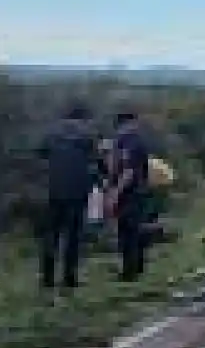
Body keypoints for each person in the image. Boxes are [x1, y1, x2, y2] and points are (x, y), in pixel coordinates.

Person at [37, 102, 98, 291]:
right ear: (83, 118)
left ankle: (47, 279)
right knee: (73, 237)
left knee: (51, 236)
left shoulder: (51, 134)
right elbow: (95, 161)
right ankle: (69, 278)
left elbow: (41, 155)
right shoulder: (87, 136)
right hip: (77, 192)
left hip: (54, 191)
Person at [107, 109, 151, 282]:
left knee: (128, 232)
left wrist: (114, 194)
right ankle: (136, 268)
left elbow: (128, 172)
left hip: (129, 193)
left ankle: (129, 272)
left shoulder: (129, 142)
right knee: (132, 231)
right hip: (135, 191)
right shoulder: (131, 140)